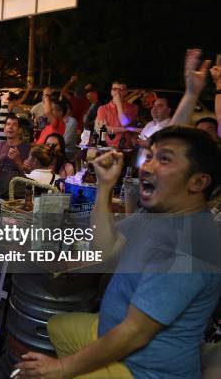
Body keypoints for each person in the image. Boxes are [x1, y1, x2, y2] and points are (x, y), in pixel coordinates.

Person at [15, 125, 221, 378]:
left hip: (143, 369)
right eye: (151, 156)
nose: (147, 166)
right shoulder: (157, 214)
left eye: (164, 159)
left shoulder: (190, 246)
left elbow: (134, 333)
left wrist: (62, 368)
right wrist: (104, 186)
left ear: (198, 182)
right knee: (58, 325)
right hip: (111, 332)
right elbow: (105, 249)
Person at [95, 80, 139, 148]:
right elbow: (103, 129)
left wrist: (118, 104)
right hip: (107, 147)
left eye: (121, 90)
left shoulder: (133, 107)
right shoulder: (102, 109)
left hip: (125, 148)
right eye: (115, 89)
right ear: (111, 92)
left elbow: (124, 123)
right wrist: (127, 129)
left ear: (125, 92)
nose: (117, 93)